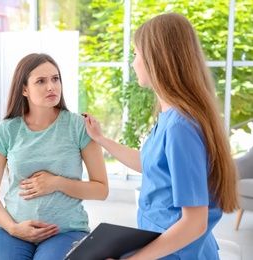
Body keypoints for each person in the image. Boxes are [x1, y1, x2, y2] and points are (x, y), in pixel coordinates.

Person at [82, 13, 239, 259]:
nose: (133, 63)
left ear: (156, 59)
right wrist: (101, 139)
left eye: (136, 54)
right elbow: (151, 163)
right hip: (164, 245)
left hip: (178, 253)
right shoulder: (172, 118)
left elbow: (194, 223)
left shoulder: (180, 128)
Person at [0, 53, 108, 260]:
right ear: (24, 89)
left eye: (55, 79)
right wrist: (13, 228)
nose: (51, 86)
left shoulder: (79, 127)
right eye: (41, 81)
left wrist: (57, 183)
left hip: (66, 231)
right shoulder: (6, 131)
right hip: (14, 231)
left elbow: (101, 190)